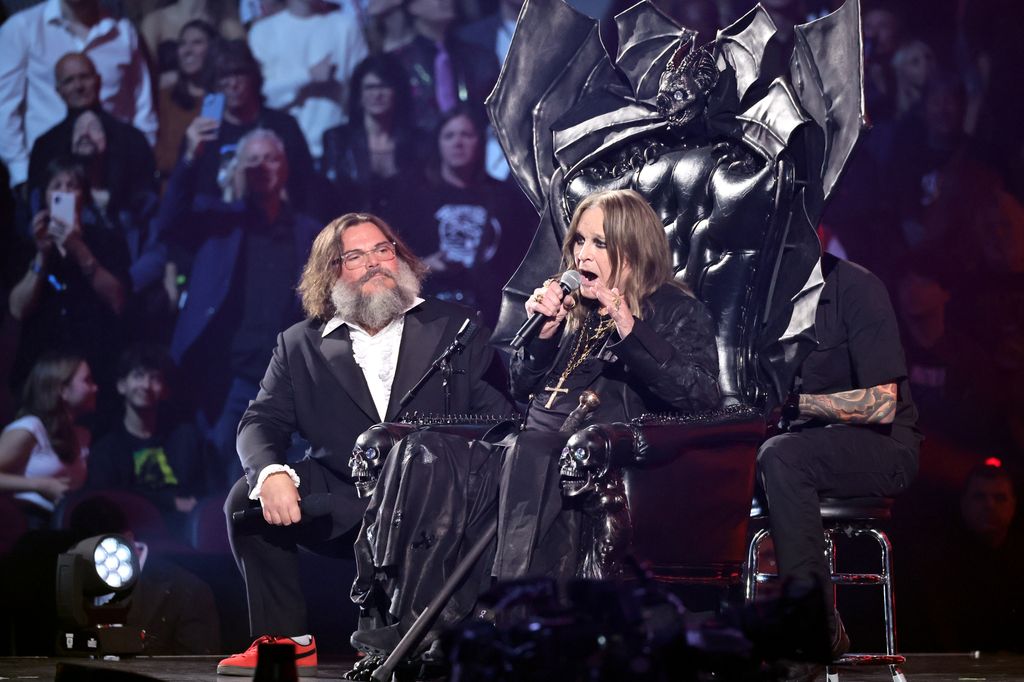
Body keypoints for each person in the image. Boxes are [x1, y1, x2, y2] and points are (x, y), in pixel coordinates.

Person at [349, 189, 720, 664]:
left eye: (599, 244)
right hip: (526, 441)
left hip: (587, 457)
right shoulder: (578, 311)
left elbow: (700, 396)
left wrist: (631, 328)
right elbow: (524, 388)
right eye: (579, 241)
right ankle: (409, 617)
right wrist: (543, 337)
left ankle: (504, 613)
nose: (582, 254)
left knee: (531, 450)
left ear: (633, 248)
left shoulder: (671, 308)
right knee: (422, 452)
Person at [215, 212, 513, 676]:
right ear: (331, 272)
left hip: (433, 504)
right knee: (246, 500)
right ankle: (284, 641)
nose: (375, 263)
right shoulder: (300, 344)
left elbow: (499, 421)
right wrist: (270, 474)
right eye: (355, 256)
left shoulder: (456, 328)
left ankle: (413, 639)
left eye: (383, 250)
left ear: (401, 258)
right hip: (345, 497)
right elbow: (261, 420)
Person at [756, 252, 922, 677]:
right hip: (803, 448)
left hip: (881, 448)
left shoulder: (857, 288)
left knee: (782, 456)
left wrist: (801, 404)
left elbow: (881, 404)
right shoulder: (762, 293)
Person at [161, 126, 320, 486]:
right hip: (229, 376)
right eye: (252, 160)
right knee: (223, 473)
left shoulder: (307, 231)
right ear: (239, 169)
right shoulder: (218, 220)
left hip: (284, 378)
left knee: (285, 476)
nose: (261, 166)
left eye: (269, 158)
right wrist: (189, 158)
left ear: (284, 167)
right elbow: (169, 222)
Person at [0, 0, 157, 193]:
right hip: (48, 176)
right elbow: (4, 107)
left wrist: (142, 164)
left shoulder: (122, 31)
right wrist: (22, 175)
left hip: (117, 180)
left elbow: (142, 106)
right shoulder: (22, 28)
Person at [401, 105, 534, 326]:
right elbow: (391, 260)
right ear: (438, 144)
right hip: (432, 315)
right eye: (449, 135)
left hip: (490, 316)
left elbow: (521, 259)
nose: (458, 142)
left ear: (479, 141)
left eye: (466, 134)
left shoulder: (505, 198)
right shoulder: (415, 198)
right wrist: (424, 265)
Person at [8, 158, 132, 389]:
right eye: (56, 186)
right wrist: (42, 255)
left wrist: (77, 247)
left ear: (83, 197)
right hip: (40, 365)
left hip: (92, 364)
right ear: (45, 195)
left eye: (72, 186)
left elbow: (118, 300)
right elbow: (17, 309)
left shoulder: (108, 241)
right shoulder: (27, 244)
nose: (64, 192)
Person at [87, 345, 209, 540]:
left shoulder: (184, 438)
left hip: (185, 534)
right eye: (138, 376)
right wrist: (171, 502)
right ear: (121, 386)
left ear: (164, 390)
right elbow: (108, 497)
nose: (146, 385)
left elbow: (209, 489)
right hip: (134, 532)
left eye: (154, 378)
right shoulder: (107, 448)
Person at [185, 40, 317, 217]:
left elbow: (306, 186)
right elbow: (194, 196)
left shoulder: (283, 126)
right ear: (214, 83)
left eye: (239, 74)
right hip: (224, 231)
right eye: (224, 76)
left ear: (253, 76)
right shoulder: (206, 133)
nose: (233, 84)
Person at [248, 0, 368, 160]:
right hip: (283, 151)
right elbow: (258, 96)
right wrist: (307, 76)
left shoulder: (345, 26)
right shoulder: (262, 32)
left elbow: (362, 92)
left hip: (334, 149)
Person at [320, 54, 423, 221]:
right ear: (359, 94)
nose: (377, 94)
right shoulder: (338, 140)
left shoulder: (417, 142)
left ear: (397, 92)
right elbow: (327, 199)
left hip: (405, 236)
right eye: (370, 87)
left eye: (384, 87)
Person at [0, 353, 97, 529]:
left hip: (58, 530)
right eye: (87, 381)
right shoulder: (30, 428)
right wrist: (39, 485)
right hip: (22, 531)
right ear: (62, 390)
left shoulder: (82, 435)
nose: (95, 388)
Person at [390, 0, 499, 133]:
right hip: (418, 147)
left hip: (475, 144)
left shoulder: (478, 58)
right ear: (412, 7)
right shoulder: (398, 63)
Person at [154, 20, 219, 180]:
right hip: (175, 188)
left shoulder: (222, 98)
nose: (187, 50)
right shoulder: (165, 98)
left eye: (197, 43)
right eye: (182, 44)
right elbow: (161, 157)